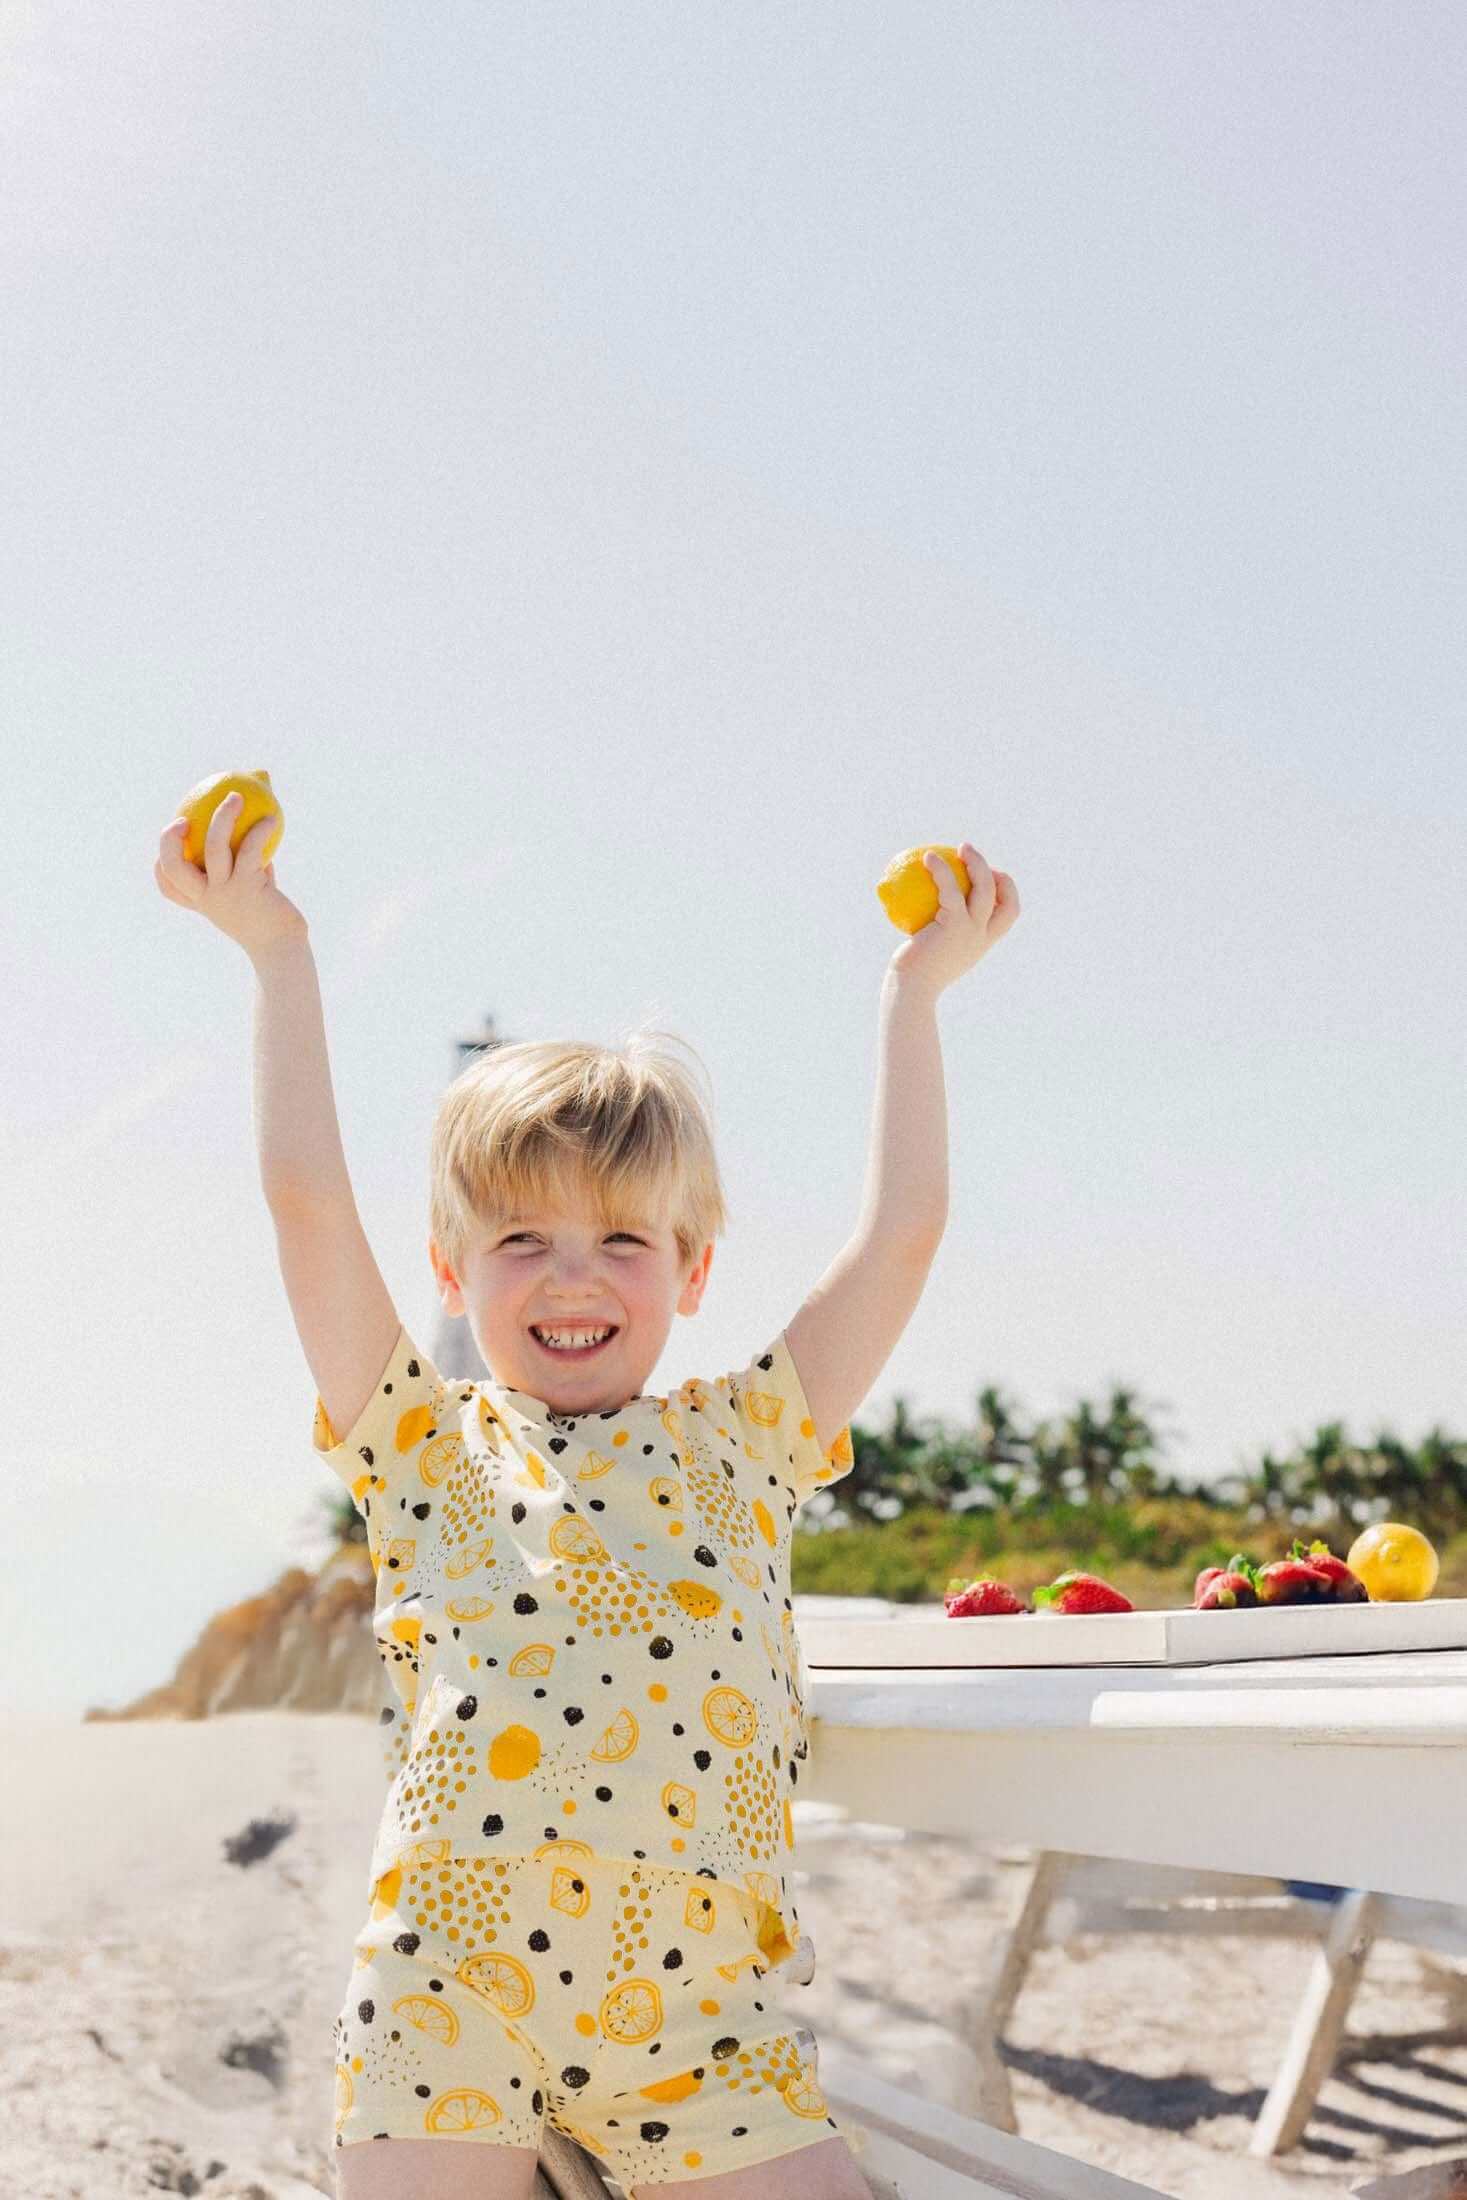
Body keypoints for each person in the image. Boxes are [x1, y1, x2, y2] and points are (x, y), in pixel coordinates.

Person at [154, 792, 1019, 2200]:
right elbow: (308, 1199)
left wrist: (915, 994)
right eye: (520, 1238)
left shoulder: (749, 1440)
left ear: (692, 1273)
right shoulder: (420, 1445)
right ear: (453, 1273)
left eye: (622, 1238)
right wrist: (277, 953)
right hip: (450, 2013)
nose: (570, 1275)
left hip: (699, 2036)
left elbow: (903, 1236)